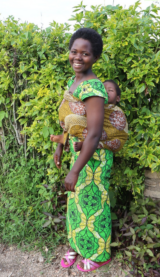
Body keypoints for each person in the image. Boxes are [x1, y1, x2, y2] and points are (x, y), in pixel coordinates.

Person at [53, 28, 116, 272]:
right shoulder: (74, 81)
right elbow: (67, 118)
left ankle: (99, 254)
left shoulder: (94, 89)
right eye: (74, 51)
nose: (78, 57)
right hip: (77, 152)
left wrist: (75, 171)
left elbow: (94, 133)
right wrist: (60, 145)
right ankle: (78, 245)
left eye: (85, 54)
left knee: (93, 206)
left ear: (95, 57)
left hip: (94, 157)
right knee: (76, 204)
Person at [50, 80, 128, 154]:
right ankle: (65, 138)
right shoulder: (93, 104)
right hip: (84, 134)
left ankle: (84, 144)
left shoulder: (117, 112)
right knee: (78, 119)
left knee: (102, 135)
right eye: (102, 89)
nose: (106, 92)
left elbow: (120, 132)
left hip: (102, 147)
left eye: (110, 90)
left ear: (118, 98)